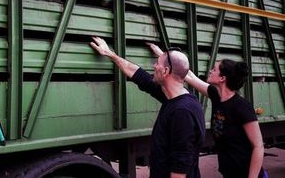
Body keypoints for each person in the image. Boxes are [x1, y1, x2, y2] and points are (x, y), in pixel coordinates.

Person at [90, 37, 205, 178]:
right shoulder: (175, 99)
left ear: (165, 71)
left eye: (157, 63)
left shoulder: (182, 112)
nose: (154, 66)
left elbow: (180, 167)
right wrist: (110, 54)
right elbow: (140, 76)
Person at [149, 43, 264, 178]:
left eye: (214, 70)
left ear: (222, 78)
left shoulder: (241, 107)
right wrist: (163, 56)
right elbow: (188, 76)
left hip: (247, 173)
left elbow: (258, 146)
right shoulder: (216, 95)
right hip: (229, 173)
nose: (210, 71)